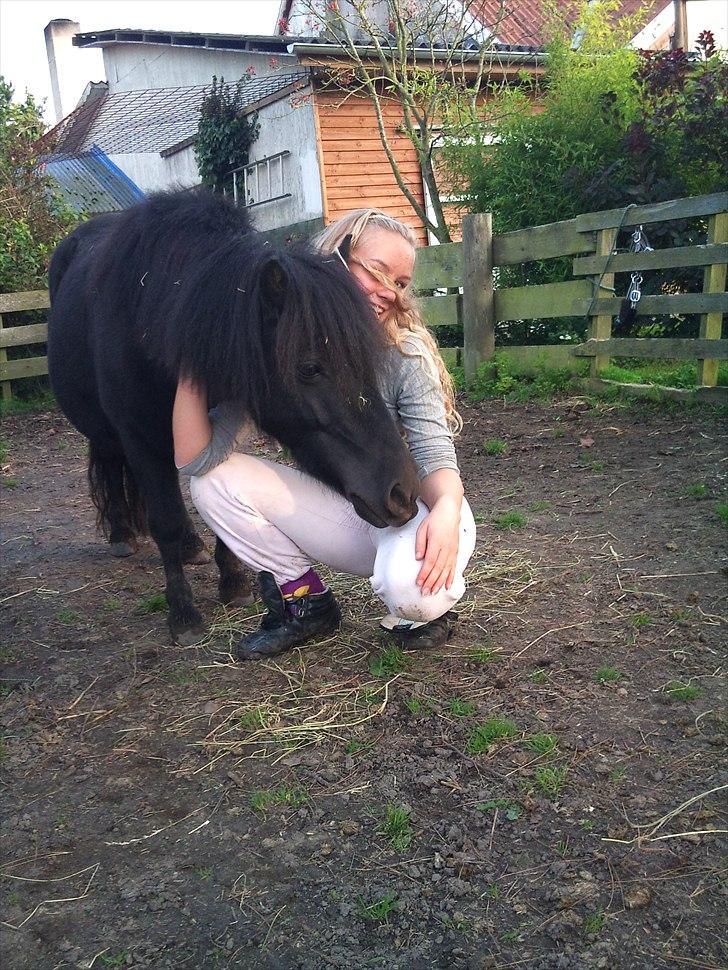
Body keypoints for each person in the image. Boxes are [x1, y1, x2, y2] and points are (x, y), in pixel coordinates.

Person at [173, 209, 476, 660]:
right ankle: (306, 604)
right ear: (336, 259)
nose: (389, 291)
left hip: (415, 509)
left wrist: (447, 512)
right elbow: (195, 459)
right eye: (377, 271)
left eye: (402, 282)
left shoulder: (403, 354)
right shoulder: (288, 346)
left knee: (416, 597)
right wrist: (193, 351)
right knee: (213, 483)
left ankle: (426, 598)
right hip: (349, 510)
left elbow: (434, 456)